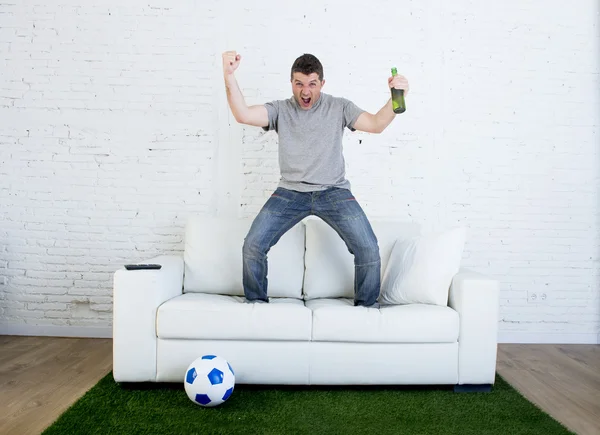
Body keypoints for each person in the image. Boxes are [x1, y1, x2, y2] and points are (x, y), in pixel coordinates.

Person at [222, 51, 409, 307]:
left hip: (333, 192)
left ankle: (365, 311)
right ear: (291, 83)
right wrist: (229, 75)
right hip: (290, 192)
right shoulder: (280, 110)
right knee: (253, 245)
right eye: (299, 83)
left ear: (322, 83)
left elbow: (376, 124)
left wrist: (396, 97)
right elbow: (243, 114)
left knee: (368, 248)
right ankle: (256, 308)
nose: (305, 91)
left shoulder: (339, 107)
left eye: (312, 83)